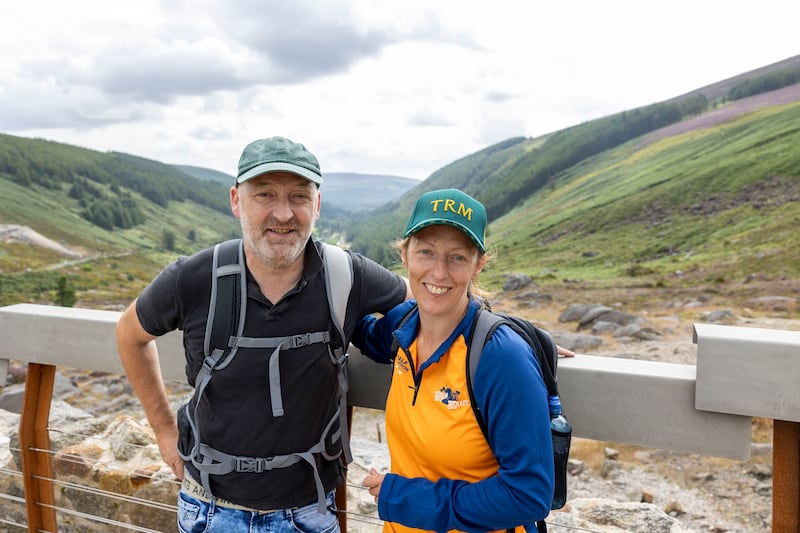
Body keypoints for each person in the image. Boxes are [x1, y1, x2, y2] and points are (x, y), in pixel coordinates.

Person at [115, 136, 409, 533]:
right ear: (236, 200)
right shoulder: (194, 277)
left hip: (309, 509)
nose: (284, 213)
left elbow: (427, 301)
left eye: (299, 196)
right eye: (265, 195)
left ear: (317, 205)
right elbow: (129, 334)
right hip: (210, 507)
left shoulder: (345, 274)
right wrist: (165, 434)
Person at [356, 189, 556, 533]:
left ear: (479, 264)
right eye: (426, 252)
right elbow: (359, 330)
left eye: (457, 257)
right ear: (405, 256)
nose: (439, 271)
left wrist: (404, 497)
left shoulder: (501, 357)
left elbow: (529, 494)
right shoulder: (403, 324)